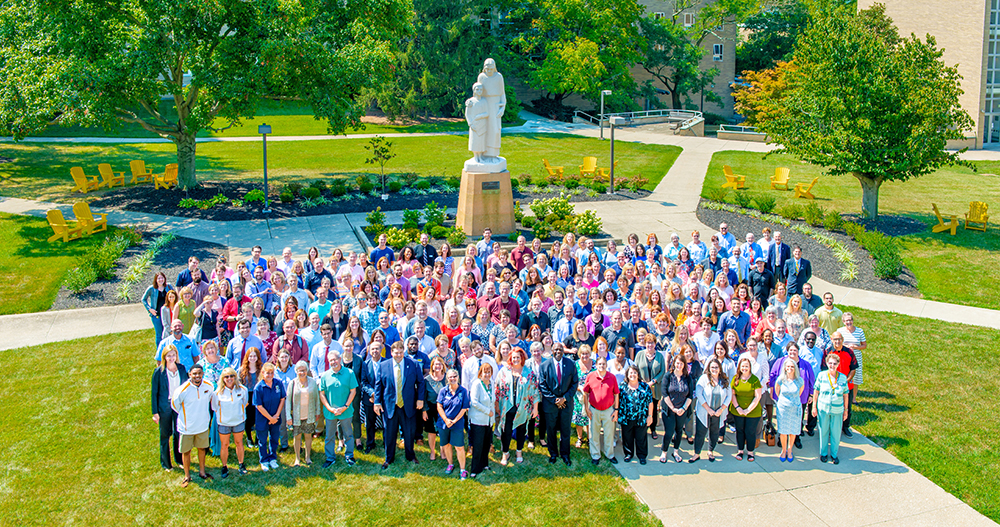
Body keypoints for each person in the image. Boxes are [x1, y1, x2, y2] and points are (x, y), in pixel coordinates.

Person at [374, 341, 425, 468]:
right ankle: (389, 458)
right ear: (391, 353)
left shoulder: (413, 364)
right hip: (390, 405)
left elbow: (421, 382)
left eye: (401, 352)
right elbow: (378, 385)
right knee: (389, 433)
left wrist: (420, 399)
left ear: (404, 352)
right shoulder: (383, 365)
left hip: (408, 405)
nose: (398, 355)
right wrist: (377, 402)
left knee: (409, 433)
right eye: (396, 353)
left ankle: (410, 455)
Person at [170, 363, 217, 487]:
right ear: (190, 374)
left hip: (202, 425)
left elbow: (210, 400)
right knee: (186, 451)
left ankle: (202, 472)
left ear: (203, 374)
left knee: (202, 449)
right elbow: (175, 406)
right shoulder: (181, 390)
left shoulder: (209, 386)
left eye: (199, 373)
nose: (197, 376)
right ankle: (187, 475)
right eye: (194, 373)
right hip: (187, 427)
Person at [494, 347, 539, 465]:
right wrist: (496, 405)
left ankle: (519, 451)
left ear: (522, 358)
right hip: (507, 406)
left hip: (523, 407)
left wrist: (535, 408)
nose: (515, 360)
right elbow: (497, 389)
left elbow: (535, 391)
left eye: (518, 357)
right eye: (513, 357)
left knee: (521, 429)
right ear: (510, 358)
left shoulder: (529, 373)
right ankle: (505, 452)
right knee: (506, 430)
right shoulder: (503, 372)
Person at [539, 343, 579, 466]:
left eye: (560, 349)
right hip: (551, 404)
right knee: (551, 430)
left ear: (563, 351)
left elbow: (575, 383)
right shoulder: (544, 365)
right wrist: (555, 399)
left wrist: (564, 399)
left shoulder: (571, 364)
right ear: (552, 350)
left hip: (566, 404)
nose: (558, 351)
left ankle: (565, 454)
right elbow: (542, 384)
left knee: (565, 430)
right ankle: (553, 454)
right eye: (556, 349)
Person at [318, 349, 358, 467]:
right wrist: (330, 408)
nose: (333, 362)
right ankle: (330, 457)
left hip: (346, 411)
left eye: (335, 359)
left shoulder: (349, 373)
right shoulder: (325, 376)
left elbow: (353, 391)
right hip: (330, 412)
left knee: (348, 435)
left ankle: (349, 456)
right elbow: (322, 394)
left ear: (340, 359)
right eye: (331, 360)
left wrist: (345, 406)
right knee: (329, 436)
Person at [151, 345, 187, 471]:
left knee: (178, 433)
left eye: (173, 355)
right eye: (169, 356)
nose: (171, 358)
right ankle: (166, 463)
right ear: (164, 357)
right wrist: (155, 412)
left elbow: (186, 388)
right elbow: (154, 393)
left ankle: (179, 459)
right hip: (164, 406)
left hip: (178, 406)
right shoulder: (159, 372)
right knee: (165, 435)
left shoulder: (182, 369)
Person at [813, 352, 850, 464]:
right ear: (826, 363)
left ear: (838, 364)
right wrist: (814, 406)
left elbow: (846, 394)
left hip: (837, 410)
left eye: (834, 363)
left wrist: (846, 410)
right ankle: (823, 453)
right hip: (823, 409)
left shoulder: (843, 378)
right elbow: (816, 390)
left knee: (835, 433)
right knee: (823, 431)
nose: (832, 366)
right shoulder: (821, 375)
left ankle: (834, 454)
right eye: (830, 363)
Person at [692, 359, 731, 463]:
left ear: (720, 369)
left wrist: (722, 409)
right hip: (704, 411)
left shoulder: (724, 380)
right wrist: (708, 409)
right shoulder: (704, 379)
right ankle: (696, 453)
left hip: (718, 412)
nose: (714, 369)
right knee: (700, 432)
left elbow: (729, 396)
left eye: (716, 367)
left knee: (714, 432)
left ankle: (710, 451)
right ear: (708, 368)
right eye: (712, 367)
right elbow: (699, 394)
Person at [583, 356, 620, 465]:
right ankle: (595, 455)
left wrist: (616, 410)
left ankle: (610, 454)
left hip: (608, 410)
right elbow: (586, 393)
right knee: (594, 433)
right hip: (594, 410)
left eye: (603, 364)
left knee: (609, 434)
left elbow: (616, 394)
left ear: (606, 365)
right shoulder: (591, 376)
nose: (602, 366)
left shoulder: (612, 377)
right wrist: (586, 407)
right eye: (600, 364)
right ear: (596, 365)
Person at [659, 354, 694, 464]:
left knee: (679, 431)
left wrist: (683, 408)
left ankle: (676, 452)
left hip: (682, 410)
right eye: (677, 363)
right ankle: (664, 452)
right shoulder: (668, 376)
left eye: (681, 363)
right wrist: (673, 408)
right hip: (669, 410)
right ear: (673, 364)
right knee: (669, 432)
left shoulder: (687, 378)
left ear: (684, 365)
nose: (679, 365)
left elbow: (690, 396)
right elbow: (664, 393)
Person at [437, 368, 471, 479]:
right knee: (446, 445)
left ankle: (462, 469)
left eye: (454, 376)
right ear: (447, 378)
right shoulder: (443, 391)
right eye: (450, 377)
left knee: (459, 447)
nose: (453, 378)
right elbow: (439, 406)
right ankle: (450, 464)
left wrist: (454, 420)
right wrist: (446, 420)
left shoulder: (463, 391)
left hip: (457, 424)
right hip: (444, 423)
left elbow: (464, 408)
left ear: (458, 377)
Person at [215, 367, 249, 477]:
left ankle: (241, 464)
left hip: (238, 422)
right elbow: (214, 407)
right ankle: (224, 466)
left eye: (232, 376)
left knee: (239, 443)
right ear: (223, 379)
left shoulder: (243, 390)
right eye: (226, 377)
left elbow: (245, 403)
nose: (229, 379)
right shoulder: (217, 393)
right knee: (224, 445)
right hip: (224, 423)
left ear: (235, 377)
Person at [253, 362, 287, 471]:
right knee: (262, 441)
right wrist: (270, 418)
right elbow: (259, 406)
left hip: (276, 417)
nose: (270, 375)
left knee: (274, 439)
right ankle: (264, 460)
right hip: (263, 419)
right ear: (263, 373)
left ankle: (272, 458)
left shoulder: (278, 383)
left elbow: (282, 399)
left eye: (272, 373)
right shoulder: (258, 387)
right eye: (267, 373)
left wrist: (276, 415)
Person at [285, 360, 319, 466]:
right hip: (297, 415)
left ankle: (308, 457)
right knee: (297, 437)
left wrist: (317, 412)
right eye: (300, 371)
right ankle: (297, 459)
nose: (302, 373)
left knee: (308, 436)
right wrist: (288, 416)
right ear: (296, 371)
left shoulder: (312, 382)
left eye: (304, 370)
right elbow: (288, 400)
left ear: (307, 370)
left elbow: (317, 398)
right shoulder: (293, 383)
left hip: (309, 414)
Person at [729, 357, 763, 462]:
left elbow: (758, 396)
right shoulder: (735, 379)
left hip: (753, 412)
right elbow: (732, 394)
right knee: (740, 431)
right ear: (739, 367)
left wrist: (748, 410)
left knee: (750, 431)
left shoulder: (755, 380)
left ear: (750, 367)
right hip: (737, 411)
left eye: (746, 366)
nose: (744, 368)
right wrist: (738, 408)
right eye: (742, 366)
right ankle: (740, 450)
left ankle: (750, 452)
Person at [618, 365, 653, 464]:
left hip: (641, 417)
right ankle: (628, 454)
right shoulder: (622, 386)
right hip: (626, 417)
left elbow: (650, 402)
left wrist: (650, 416)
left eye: (634, 372)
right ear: (627, 375)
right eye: (630, 373)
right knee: (627, 437)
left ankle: (642, 456)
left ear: (638, 374)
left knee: (641, 438)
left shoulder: (645, 386)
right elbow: (617, 400)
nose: (632, 375)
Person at [634, 334, 666, 439]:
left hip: (655, 388)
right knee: (642, 408)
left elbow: (662, 371)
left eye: (652, 342)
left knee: (654, 409)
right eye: (648, 342)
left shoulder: (660, 356)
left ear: (655, 343)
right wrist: (641, 381)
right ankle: (643, 429)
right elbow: (635, 369)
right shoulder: (640, 354)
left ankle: (653, 429)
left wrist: (653, 381)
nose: (650, 345)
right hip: (642, 387)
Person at [774, 359, 805, 463]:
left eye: (792, 367)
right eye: (788, 367)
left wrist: (793, 402)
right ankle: (783, 450)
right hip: (783, 409)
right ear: (785, 368)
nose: (790, 369)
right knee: (783, 431)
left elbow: (799, 392)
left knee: (793, 431)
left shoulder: (799, 380)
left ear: (795, 368)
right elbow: (777, 391)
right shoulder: (781, 379)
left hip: (795, 409)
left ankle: (790, 450)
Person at [468, 362, 495, 478]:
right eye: (485, 372)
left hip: (489, 421)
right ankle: (475, 469)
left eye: (489, 372)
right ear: (480, 373)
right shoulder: (477, 384)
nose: (487, 374)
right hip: (478, 420)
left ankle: (485, 464)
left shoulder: (492, 384)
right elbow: (474, 402)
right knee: (478, 445)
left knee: (486, 443)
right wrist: (487, 411)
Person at [422, 357, 447, 461]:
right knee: (431, 431)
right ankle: (432, 451)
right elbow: (423, 396)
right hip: (430, 407)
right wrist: (424, 410)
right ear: (432, 366)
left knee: (443, 430)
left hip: (445, 408)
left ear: (443, 366)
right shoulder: (427, 379)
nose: (437, 366)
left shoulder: (447, 378)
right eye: (435, 364)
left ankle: (442, 450)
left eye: (439, 364)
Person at [142, 272, 174, 347]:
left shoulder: (168, 287)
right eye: (159, 278)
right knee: (159, 334)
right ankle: (160, 353)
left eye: (162, 278)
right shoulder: (151, 289)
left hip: (167, 314)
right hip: (157, 315)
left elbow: (174, 296)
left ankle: (169, 349)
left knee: (169, 332)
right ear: (156, 279)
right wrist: (150, 309)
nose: (160, 280)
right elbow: (143, 299)